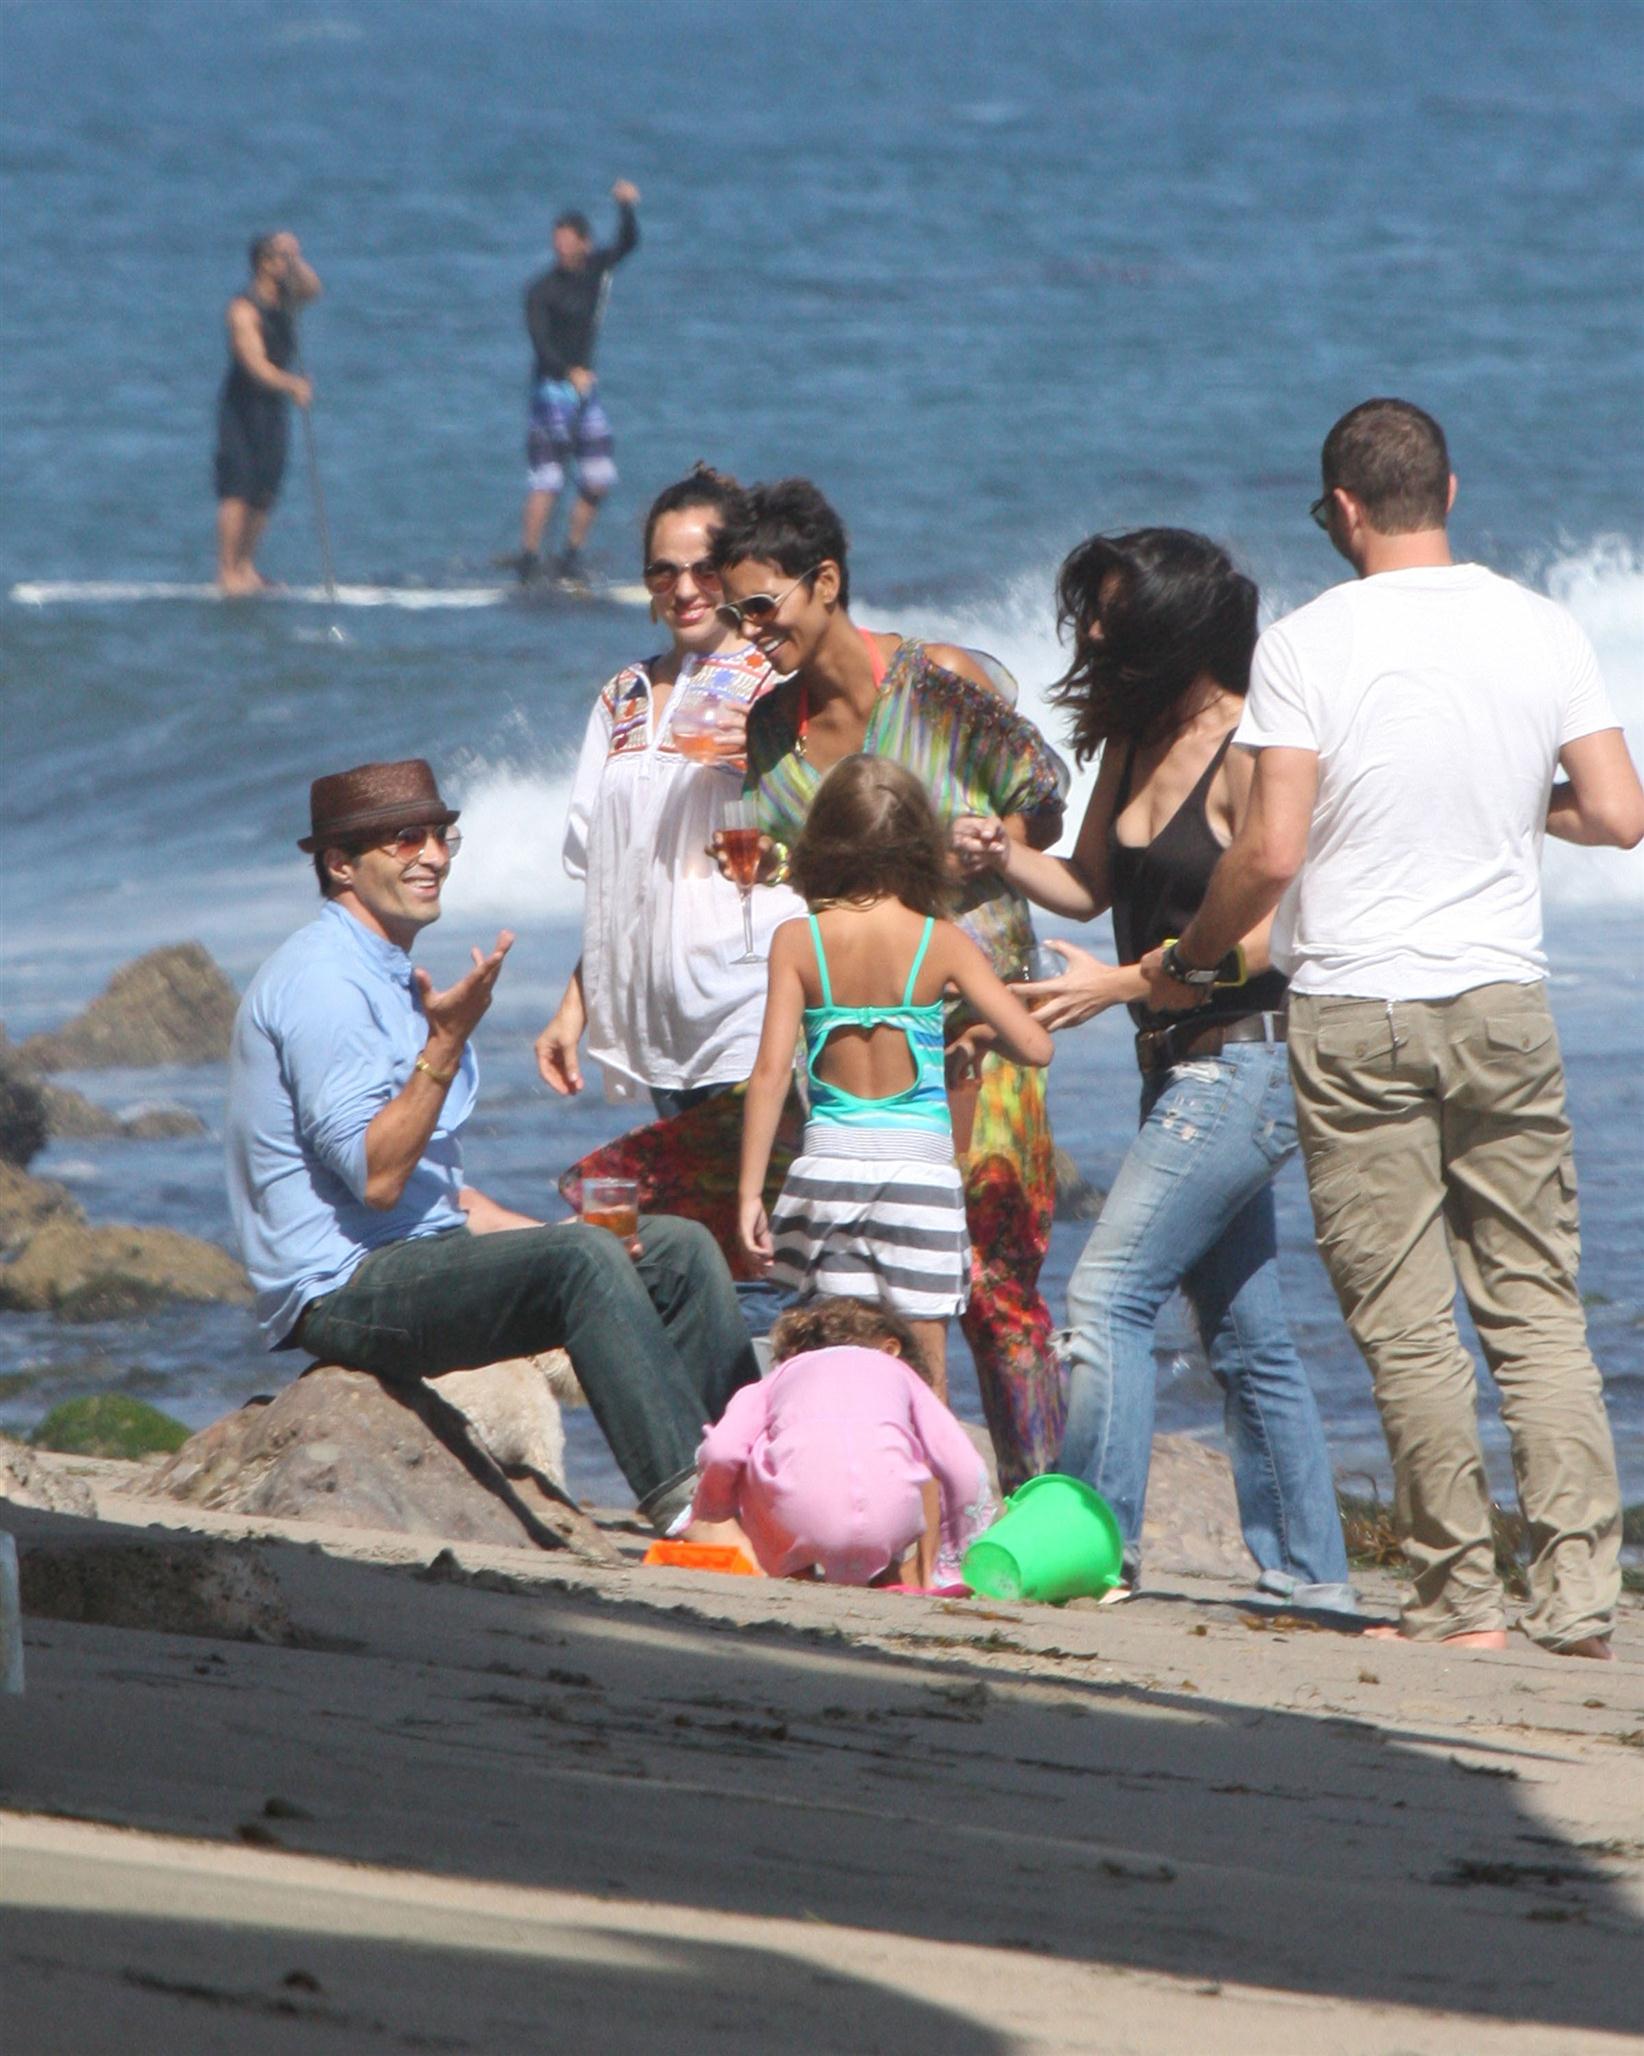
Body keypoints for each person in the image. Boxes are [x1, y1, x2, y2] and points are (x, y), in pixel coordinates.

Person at [1144, 399, 1644, 1657]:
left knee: (1409, 1316)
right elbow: (1620, 812)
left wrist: (1192, 960)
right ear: (1451, 492)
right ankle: (1581, 1600)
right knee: (1533, 1302)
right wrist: (1501, 802)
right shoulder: (1541, 625)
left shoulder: (1309, 644)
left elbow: (1269, 848)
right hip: (1500, 1000)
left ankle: (1459, 1601)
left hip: (1358, 1002)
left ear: (1346, 511)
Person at [953, 530, 1355, 1611]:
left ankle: (1092, 1550)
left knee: (1106, 1293)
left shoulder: (1252, 748)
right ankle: (1311, 1578)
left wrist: (1129, 983)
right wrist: (1001, 852)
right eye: (1089, 611)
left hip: (1248, 1062)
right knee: (1246, 1333)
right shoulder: (1132, 745)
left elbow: (1293, 929)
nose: (1092, 632)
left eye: (1113, 613)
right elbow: (1084, 884)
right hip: (1173, 1070)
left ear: (1176, 626)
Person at [224, 756, 760, 1535]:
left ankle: (753, 1477)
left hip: (412, 1257)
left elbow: (441, 1200)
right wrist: (444, 1044)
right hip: (340, 1290)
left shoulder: (389, 974)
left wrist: (560, 1239)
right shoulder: (323, 981)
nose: (434, 856)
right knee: (583, 1263)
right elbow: (377, 1180)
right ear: (339, 864)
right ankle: (694, 1511)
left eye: (442, 836)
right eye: (406, 839)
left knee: (671, 1248)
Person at [714, 478, 1071, 1490]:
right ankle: (886, 1497)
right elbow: (799, 874)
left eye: (760, 606)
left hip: (983, 1025)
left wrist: (987, 850)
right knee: (857, 1300)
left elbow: (1041, 798)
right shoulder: (769, 736)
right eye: (736, 610)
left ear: (824, 583)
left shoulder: (942, 680)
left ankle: (1038, 1507)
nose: (748, 632)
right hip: (860, 1064)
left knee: (995, 1284)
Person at [536, 465, 805, 1306]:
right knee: (700, 1244)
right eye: (663, 570)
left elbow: (823, 835)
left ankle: (770, 1417)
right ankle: (720, 1428)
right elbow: (617, 873)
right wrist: (576, 1004)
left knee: (759, 1245)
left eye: (704, 568)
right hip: (655, 1010)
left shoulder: (773, 686)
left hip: (748, 999)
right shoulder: (621, 695)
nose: (684, 588)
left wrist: (758, 760)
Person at [741, 756, 1053, 1390]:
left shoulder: (798, 941)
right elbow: (1035, 1045)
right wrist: (979, 1034)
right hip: (918, 1173)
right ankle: (927, 1491)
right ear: (918, 845)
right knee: (923, 1374)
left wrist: (749, 1193)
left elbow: (771, 1072)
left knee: (841, 1367)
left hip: (827, 1168)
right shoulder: (941, 941)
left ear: (824, 840)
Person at [691, 1296, 999, 1587]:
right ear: (891, 1348)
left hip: (793, 1517)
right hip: (891, 1520)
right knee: (897, 1446)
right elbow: (965, 1468)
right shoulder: (902, 1374)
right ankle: (885, 1573)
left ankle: (791, 1570)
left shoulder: (780, 1376)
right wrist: (953, 1559)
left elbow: (722, 1450)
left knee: (761, 1444)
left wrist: (714, 1509)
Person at [515, 180, 640, 585]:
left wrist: (625, 207)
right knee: (548, 479)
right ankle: (530, 558)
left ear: (585, 244)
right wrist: (569, 372)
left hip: (587, 392)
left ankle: (570, 554)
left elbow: (628, 243)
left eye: (569, 243)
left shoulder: (595, 271)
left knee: (598, 478)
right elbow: (540, 343)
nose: (562, 250)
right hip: (552, 391)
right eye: (558, 243)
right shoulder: (540, 291)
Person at [214, 231, 321, 595]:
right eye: (280, 257)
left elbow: (313, 288)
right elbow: (254, 365)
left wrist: (295, 256)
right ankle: (228, 571)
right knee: (238, 488)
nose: (287, 264)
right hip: (244, 405)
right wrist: (292, 384)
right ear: (263, 263)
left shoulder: (287, 299)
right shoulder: (243, 308)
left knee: (266, 490)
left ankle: (247, 566)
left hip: (274, 405)